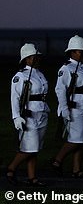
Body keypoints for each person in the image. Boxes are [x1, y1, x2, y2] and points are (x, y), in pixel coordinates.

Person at [6, 43, 49, 187]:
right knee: (29, 147)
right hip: (28, 115)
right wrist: (16, 116)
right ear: (26, 59)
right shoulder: (20, 76)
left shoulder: (40, 74)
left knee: (35, 149)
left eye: (37, 56)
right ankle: (11, 168)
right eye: (33, 57)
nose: (37, 59)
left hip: (41, 113)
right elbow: (15, 97)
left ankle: (32, 178)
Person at [51, 35, 83, 178]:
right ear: (72, 52)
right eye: (80, 51)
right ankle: (57, 161)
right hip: (74, 108)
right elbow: (60, 89)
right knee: (77, 139)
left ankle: (77, 169)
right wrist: (64, 109)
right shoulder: (66, 68)